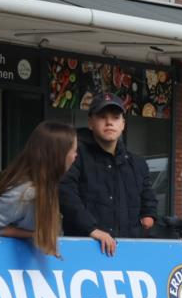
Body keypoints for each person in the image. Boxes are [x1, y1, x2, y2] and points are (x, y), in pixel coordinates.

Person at [60, 92, 158, 256]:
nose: (109, 122)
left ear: (123, 124)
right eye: (102, 117)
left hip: (128, 253)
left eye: (115, 117)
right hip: (84, 250)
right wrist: (92, 229)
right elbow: (65, 195)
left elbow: (148, 197)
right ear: (91, 122)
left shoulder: (137, 163)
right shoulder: (74, 157)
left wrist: (149, 214)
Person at [0, 122, 78, 256]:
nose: (75, 155)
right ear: (59, 154)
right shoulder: (25, 191)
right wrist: (34, 235)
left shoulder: (46, 185)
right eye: (73, 150)